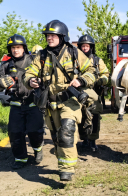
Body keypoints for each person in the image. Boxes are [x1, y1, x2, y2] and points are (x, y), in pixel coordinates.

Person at [24, 20, 96, 181]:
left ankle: (67, 170)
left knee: (67, 130)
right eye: (48, 36)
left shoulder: (74, 52)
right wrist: (30, 81)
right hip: (50, 103)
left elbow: (91, 70)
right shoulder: (41, 56)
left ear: (62, 36)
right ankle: (63, 161)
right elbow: (28, 73)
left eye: (53, 35)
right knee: (57, 137)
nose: (49, 38)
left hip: (70, 100)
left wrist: (82, 81)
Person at [0, 34, 45, 170]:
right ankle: (20, 158)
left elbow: (45, 75)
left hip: (34, 102)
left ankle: (38, 149)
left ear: (24, 48)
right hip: (16, 103)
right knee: (15, 133)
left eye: (18, 47)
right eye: (13, 48)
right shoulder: (5, 64)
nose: (15, 50)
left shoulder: (33, 60)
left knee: (35, 131)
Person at [77, 34, 110, 152]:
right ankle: (84, 139)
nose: (85, 48)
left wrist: (100, 81)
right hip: (79, 94)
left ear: (91, 47)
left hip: (95, 95)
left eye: (87, 46)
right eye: (83, 46)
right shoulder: (74, 60)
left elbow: (106, 74)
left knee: (95, 118)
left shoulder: (97, 60)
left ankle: (93, 140)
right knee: (81, 117)